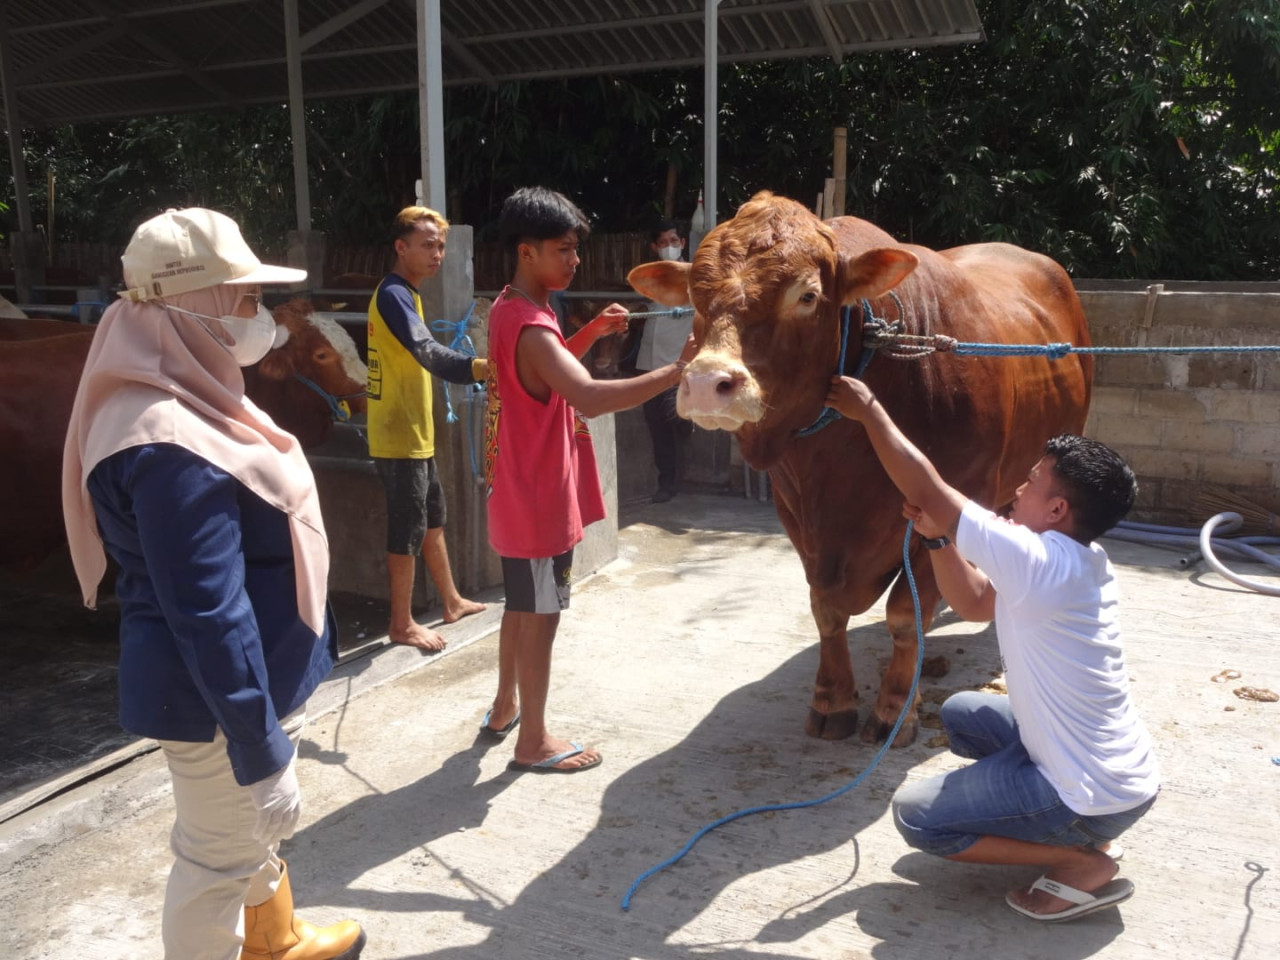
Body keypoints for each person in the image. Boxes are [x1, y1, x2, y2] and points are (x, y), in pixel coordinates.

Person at [61, 207, 365, 960]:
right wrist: (258, 748)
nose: (260, 318)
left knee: (238, 835)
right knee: (214, 859)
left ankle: (276, 939)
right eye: (244, 299)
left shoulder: (176, 396)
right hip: (215, 703)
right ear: (188, 306)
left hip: (232, 686)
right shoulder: (170, 441)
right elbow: (207, 609)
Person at [824, 374, 1160, 924]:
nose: (1018, 490)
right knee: (964, 714)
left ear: (1056, 511)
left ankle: (1077, 861)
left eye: (1031, 483)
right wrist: (936, 539)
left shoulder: (1038, 558)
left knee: (918, 818)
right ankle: (1049, 817)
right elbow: (978, 603)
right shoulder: (1080, 557)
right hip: (1121, 781)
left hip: (1088, 796)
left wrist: (870, 411)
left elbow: (928, 488)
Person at [481, 187, 695, 772]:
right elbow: (590, 397)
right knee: (541, 616)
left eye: (576, 249)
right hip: (540, 502)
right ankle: (534, 742)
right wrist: (675, 372)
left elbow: (545, 373)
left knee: (521, 607)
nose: (574, 261)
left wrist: (591, 334)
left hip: (517, 492)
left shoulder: (513, 308)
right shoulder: (534, 325)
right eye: (564, 250)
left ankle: (505, 708)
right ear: (527, 252)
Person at [367, 206, 488, 652]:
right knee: (407, 528)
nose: (437, 254)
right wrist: (482, 368)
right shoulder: (394, 294)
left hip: (416, 433)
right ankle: (401, 624)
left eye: (440, 246)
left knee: (432, 517)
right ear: (401, 248)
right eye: (427, 245)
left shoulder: (407, 293)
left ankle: (452, 601)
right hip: (398, 435)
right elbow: (428, 351)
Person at [633, 219, 693, 502]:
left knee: (679, 420)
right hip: (649, 361)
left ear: (682, 243)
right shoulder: (649, 277)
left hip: (679, 360)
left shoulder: (696, 275)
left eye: (673, 241)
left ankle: (681, 474)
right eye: (663, 243)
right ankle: (666, 483)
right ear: (654, 247)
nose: (668, 247)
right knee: (655, 423)